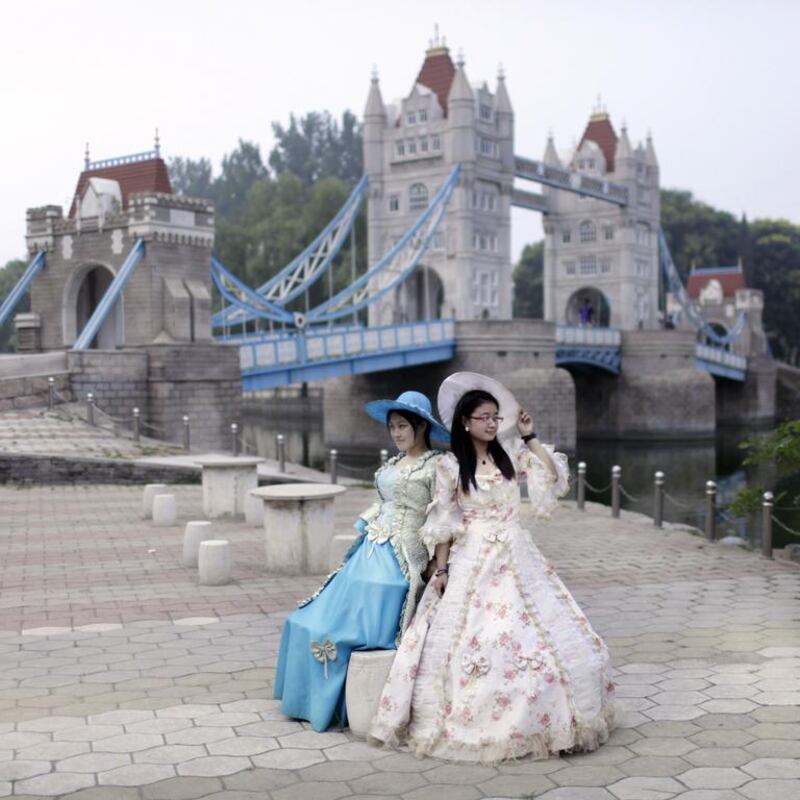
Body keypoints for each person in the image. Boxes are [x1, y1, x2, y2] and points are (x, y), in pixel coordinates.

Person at [370, 373, 615, 763]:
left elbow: (552, 475)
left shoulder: (510, 455)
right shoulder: (451, 466)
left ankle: (555, 714)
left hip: (516, 552)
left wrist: (530, 436)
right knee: (476, 636)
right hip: (473, 557)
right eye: (484, 417)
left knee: (545, 632)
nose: (492, 424)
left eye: (495, 418)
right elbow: (445, 520)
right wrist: (443, 569)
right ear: (466, 421)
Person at [273, 390, 449, 732]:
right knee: (308, 619)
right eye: (392, 427)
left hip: (406, 550)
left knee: (378, 591)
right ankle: (310, 694)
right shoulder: (393, 464)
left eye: (403, 426)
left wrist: (438, 565)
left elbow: (443, 520)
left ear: (422, 427)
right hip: (372, 544)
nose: (397, 434)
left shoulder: (438, 465)